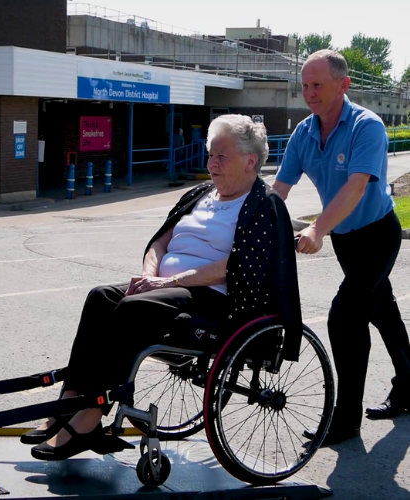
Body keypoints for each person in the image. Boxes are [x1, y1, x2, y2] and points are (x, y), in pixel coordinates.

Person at [23, 114, 303, 461]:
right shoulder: (201, 193)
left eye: (221, 157)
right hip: (168, 290)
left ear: (250, 161)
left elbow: (237, 267)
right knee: (100, 297)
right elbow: (161, 241)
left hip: (214, 303)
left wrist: (165, 282)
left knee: (132, 309)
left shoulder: (265, 204)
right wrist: (149, 277)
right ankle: (70, 402)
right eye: (210, 155)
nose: (211, 164)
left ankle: (91, 417)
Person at [273, 49, 410, 446]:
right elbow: (280, 189)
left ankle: (346, 418)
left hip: (377, 235)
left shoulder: (366, 127)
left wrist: (316, 229)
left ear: (343, 85)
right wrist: (254, 224)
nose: (309, 93)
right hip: (347, 241)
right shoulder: (304, 132)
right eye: (304, 86)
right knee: (382, 312)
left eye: (318, 85)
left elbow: (354, 187)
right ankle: (409, 383)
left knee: (345, 318)